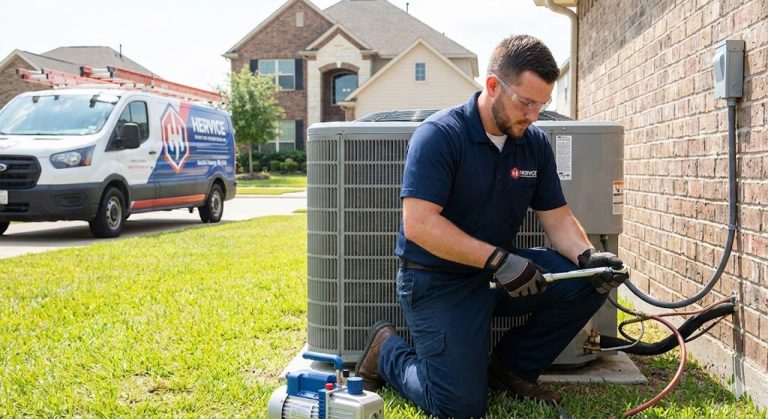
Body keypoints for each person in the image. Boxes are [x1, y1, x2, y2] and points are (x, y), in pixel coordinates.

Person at [353, 34, 628, 418]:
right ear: (493, 85)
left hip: (498, 274)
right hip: (438, 282)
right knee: (460, 410)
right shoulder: (440, 136)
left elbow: (558, 218)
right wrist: (499, 260)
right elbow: (419, 225)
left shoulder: (533, 143)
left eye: (542, 104)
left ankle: (511, 368)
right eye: (526, 102)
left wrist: (588, 255)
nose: (534, 115)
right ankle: (387, 353)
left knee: (587, 279)